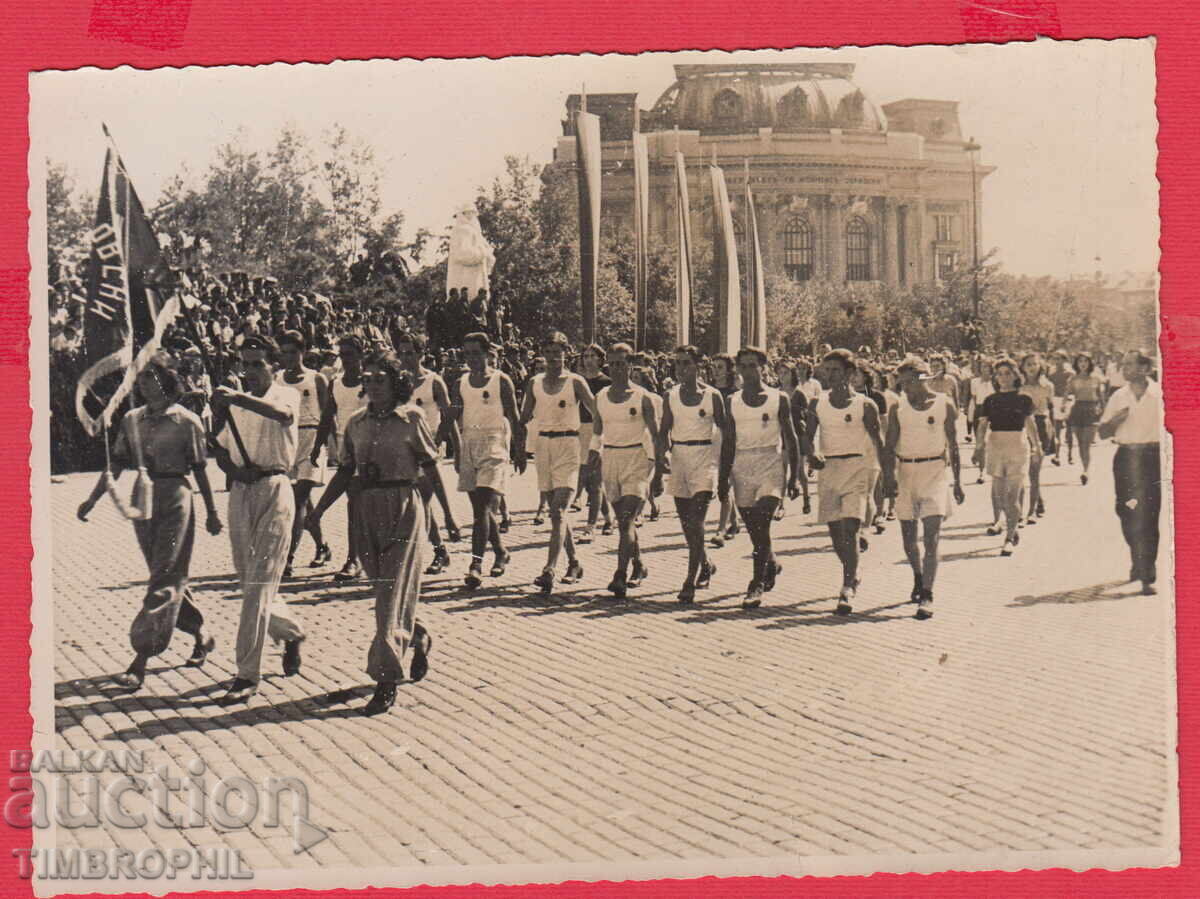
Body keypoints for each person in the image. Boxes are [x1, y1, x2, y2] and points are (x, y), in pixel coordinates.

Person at [306, 353, 442, 715]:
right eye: (368, 379)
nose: (373, 384)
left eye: (380, 378)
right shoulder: (355, 422)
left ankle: (385, 680)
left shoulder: (411, 418)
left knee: (390, 594)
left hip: (404, 505)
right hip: (366, 510)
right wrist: (318, 510)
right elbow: (345, 471)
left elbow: (429, 469)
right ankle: (417, 635)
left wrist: (442, 522)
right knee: (385, 591)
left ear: (395, 382)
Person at [77, 360, 222, 690]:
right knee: (165, 574)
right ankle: (201, 632)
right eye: (141, 379)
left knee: (164, 574)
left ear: (169, 381)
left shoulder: (188, 421)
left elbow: (200, 468)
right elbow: (117, 463)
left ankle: (140, 658)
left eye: (151, 378)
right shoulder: (132, 419)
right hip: (143, 499)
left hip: (175, 497)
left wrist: (213, 512)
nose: (144, 384)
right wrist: (92, 498)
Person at [210, 335, 307, 706]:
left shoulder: (285, 395)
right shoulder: (235, 405)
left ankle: (246, 674)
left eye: (257, 364)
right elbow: (218, 447)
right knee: (248, 578)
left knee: (256, 585)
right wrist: (233, 467)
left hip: (276, 487)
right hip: (242, 491)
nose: (249, 372)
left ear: (272, 366)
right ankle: (292, 631)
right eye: (245, 364)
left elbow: (282, 417)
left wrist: (236, 398)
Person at [718, 346, 802, 610]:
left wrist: (794, 478)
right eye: (742, 366)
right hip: (742, 466)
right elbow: (729, 442)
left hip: (770, 463)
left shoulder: (779, 399)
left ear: (764, 367)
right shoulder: (732, 401)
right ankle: (771, 562)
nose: (748, 371)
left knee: (763, 520)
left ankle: (755, 583)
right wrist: (723, 478)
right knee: (755, 528)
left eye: (753, 365)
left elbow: (791, 439)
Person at [880, 357, 965, 620]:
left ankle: (927, 593)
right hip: (906, 473)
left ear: (921, 379)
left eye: (906, 383)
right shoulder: (898, 409)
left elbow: (953, 445)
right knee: (909, 538)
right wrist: (888, 477)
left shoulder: (944, 404)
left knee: (931, 537)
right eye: (900, 383)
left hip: (935, 473)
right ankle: (918, 576)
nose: (903, 388)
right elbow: (889, 445)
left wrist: (959, 481)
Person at [805, 349, 885, 615]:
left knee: (850, 529)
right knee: (836, 535)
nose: (829, 375)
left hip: (857, 468)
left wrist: (889, 477)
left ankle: (847, 587)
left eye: (835, 370)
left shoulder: (865, 405)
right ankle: (853, 571)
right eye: (826, 370)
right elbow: (807, 436)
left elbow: (878, 441)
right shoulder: (818, 403)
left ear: (850, 374)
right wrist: (811, 453)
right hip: (829, 470)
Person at [519, 331, 598, 594]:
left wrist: (598, 446)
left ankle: (549, 569)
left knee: (558, 511)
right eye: (549, 352)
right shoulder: (534, 383)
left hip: (569, 445)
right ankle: (574, 562)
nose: (553, 357)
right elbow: (523, 417)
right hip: (543, 447)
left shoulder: (575, 382)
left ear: (566, 354)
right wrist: (518, 447)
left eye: (558, 352)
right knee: (556, 513)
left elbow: (599, 413)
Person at [450, 332, 522, 590]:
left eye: (476, 353)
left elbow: (514, 416)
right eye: (467, 354)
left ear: (487, 353)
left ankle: (475, 565)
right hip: (469, 443)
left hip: (494, 443)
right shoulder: (461, 382)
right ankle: (501, 551)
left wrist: (520, 451)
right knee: (481, 509)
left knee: (483, 509)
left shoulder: (501, 380)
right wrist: (457, 452)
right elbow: (453, 417)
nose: (472, 359)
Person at [592, 344, 662, 598]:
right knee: (625, 522)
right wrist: (592, 455)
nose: (617, 369)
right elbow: (597, 431)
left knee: (626, 521)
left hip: (637, 460)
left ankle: (619, 575)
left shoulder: (642, 397)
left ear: (630, 365)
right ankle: (639, 565)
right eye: (612, 364)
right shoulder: (601, 397)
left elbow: (655, 435)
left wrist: (658, 469)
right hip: (610, 459)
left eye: (621, 363)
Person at [658, 345, 726, 603]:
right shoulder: (671, 395)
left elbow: (725, 430)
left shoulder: (712, 396)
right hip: (679, 459)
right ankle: (706, 563)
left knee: (696, 522)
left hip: (704, 459)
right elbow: (663, 430)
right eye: (678, 364)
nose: (681, 369)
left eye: (686, 363)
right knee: (687, 525)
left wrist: (725, 468)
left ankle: (689, 580)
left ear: (698, 365)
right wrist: (662, 454)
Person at [395, 331, 463, 575]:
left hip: (429, 448)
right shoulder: (398, 381)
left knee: (421, 500)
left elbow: (449, 417)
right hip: (403, 449)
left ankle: (437, 550)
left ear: (421, 354)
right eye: (401, 354)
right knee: (417, 502)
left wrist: (458, 449)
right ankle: (439, 550)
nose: (405, 358)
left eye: (410, 354)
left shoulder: (433, 381)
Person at [1099, 351, 1163, 595]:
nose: (1124, 368)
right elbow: (1103, 433)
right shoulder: (1118, 396)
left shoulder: (1160, 395)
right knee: (1126, 509)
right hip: (1126, 458)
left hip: (1151, 458)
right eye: (1123, 364)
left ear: (1145, 368)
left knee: (1149, 512)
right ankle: (1138, 557)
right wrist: (1115, 421)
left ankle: (1147, 571)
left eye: (1129, 364)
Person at [312, 335, 368, 581]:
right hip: (348, 449)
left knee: (367, 506)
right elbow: (327, 416)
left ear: (360, 355)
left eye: (350, 354)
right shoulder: (335, 383)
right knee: (354, 505)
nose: (345, 359)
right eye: (342, 354)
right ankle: (354, 559)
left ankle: (359, 560)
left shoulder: (370, 382)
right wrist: (317, 446)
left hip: (372, 450)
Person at [974, 358, 1042, 556]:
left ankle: (1010, 536)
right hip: (996, 446)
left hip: (1017, 446)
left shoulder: (1024, 399)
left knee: (1012, 496)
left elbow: (1031, 425)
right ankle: (1007, 524)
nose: (1004, 377)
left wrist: (1036, 447)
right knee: (999, 494)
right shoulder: (990, 400)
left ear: (1015, 376)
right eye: (1000, 373)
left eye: (1008, 373)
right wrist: (978, 447)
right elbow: (982, 426)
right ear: (995, 377)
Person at [276, 330, 331, 576]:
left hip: (312, 438)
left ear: (303, 352)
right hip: (288, 439)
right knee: (303, 500)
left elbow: (328, 414)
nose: (289, 357)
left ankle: (287, 556)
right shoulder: (277, 379)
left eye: (293, 352)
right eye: (284, 352)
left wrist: (330, 444)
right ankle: (322, 546)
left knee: (298, 498)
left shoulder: (316, 378)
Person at [573, 343, 614, 542]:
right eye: (585, 356)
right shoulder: (577, 381)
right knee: (588, 482)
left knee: (595, 479)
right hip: (578, 431)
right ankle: (607, 519)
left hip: (598, 431)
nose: (588, 359)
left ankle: (590, 527)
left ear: (600, 359)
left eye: (592, 356)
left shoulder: (606, 382)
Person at [709, 352, 741, 548]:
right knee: (723, 481)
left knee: (725, 482)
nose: (716, 370)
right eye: (713, 366)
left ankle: (721, 529)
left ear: (729, 369)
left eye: (720, 367)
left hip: (732, 439)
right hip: (714, 438)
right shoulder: (709, 390)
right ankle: (734, 522)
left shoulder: (734, 391)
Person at [1019, 353, 1056, 524]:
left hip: (1042, 425)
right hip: (1023, 426)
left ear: (1040, 366)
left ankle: (1032, 511)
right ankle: (1037, 501)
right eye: (1028, 364)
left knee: (1034, 470)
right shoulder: (1019, 386)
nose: (1032, 367)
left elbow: (1051, 409)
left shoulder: (1047, 386)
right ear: (1023, 367)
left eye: (1034, 364)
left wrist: (1054, 434)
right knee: (1024, 470)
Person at [1067, 353, 1105, 484]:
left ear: (1090, 363)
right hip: (1077, 410)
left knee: (1086, 444)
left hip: (1091, 410)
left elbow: (1101, 397)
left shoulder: (1096, 378)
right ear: (1076, 364)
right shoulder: (1073, 379)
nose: (1083, 364)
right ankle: (1084, 468)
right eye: (1080, 361)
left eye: (1085, 361)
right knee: (1080, 443)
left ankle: (1086, 471)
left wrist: (1103, 412)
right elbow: (1068, 396)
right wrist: (1065, 405)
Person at [1046, 350, 1075, 466]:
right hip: (1056, 401)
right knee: (1056, 429)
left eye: (1059, 359)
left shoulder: (1070, 373)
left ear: (1064, 360)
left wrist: (1066, 401)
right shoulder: (1051, 374)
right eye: (1054, 359)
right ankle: (1057, 456)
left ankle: (1070, 455)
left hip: (1067, 401)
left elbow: (1070, 389)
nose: (1056, 361)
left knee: (1069, 429)